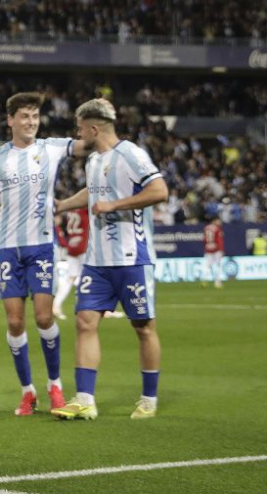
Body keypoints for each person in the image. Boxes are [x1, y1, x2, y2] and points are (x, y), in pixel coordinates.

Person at [0, 92, 87, 416]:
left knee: (44, 317)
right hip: (6, 249)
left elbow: (88, 144)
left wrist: (101, 122)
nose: (31, 122)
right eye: (25, 116)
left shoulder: (52, 147)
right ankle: (27, 391)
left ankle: (55, 385)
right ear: (10, 120)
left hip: (42, 245)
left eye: (35, 116)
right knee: (15, 322)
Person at [52, 98, 168, 421]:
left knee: (143, 327)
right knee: (84, 321)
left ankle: (148, 399)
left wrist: (115, 206)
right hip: (97, 260)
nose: (77, 134)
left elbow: (160, 191)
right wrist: (63, 205)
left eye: (79, 128)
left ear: (93, 128)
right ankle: (85, 399)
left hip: (132, 258)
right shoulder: (93, 161)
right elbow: (93, 193)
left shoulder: (131, 155)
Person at [201, 215, 225, 288]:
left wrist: (206, 246)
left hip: (208, 248)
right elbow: (219, 240)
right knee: (218, 265)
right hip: (216, 248)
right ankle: (217, 282)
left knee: (208, 266)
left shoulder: (205, 228)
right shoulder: (217, 228)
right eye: (218, 220)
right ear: (214, 221)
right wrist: (221, 249)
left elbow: (204, 240)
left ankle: (204, 279)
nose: (219, 222)